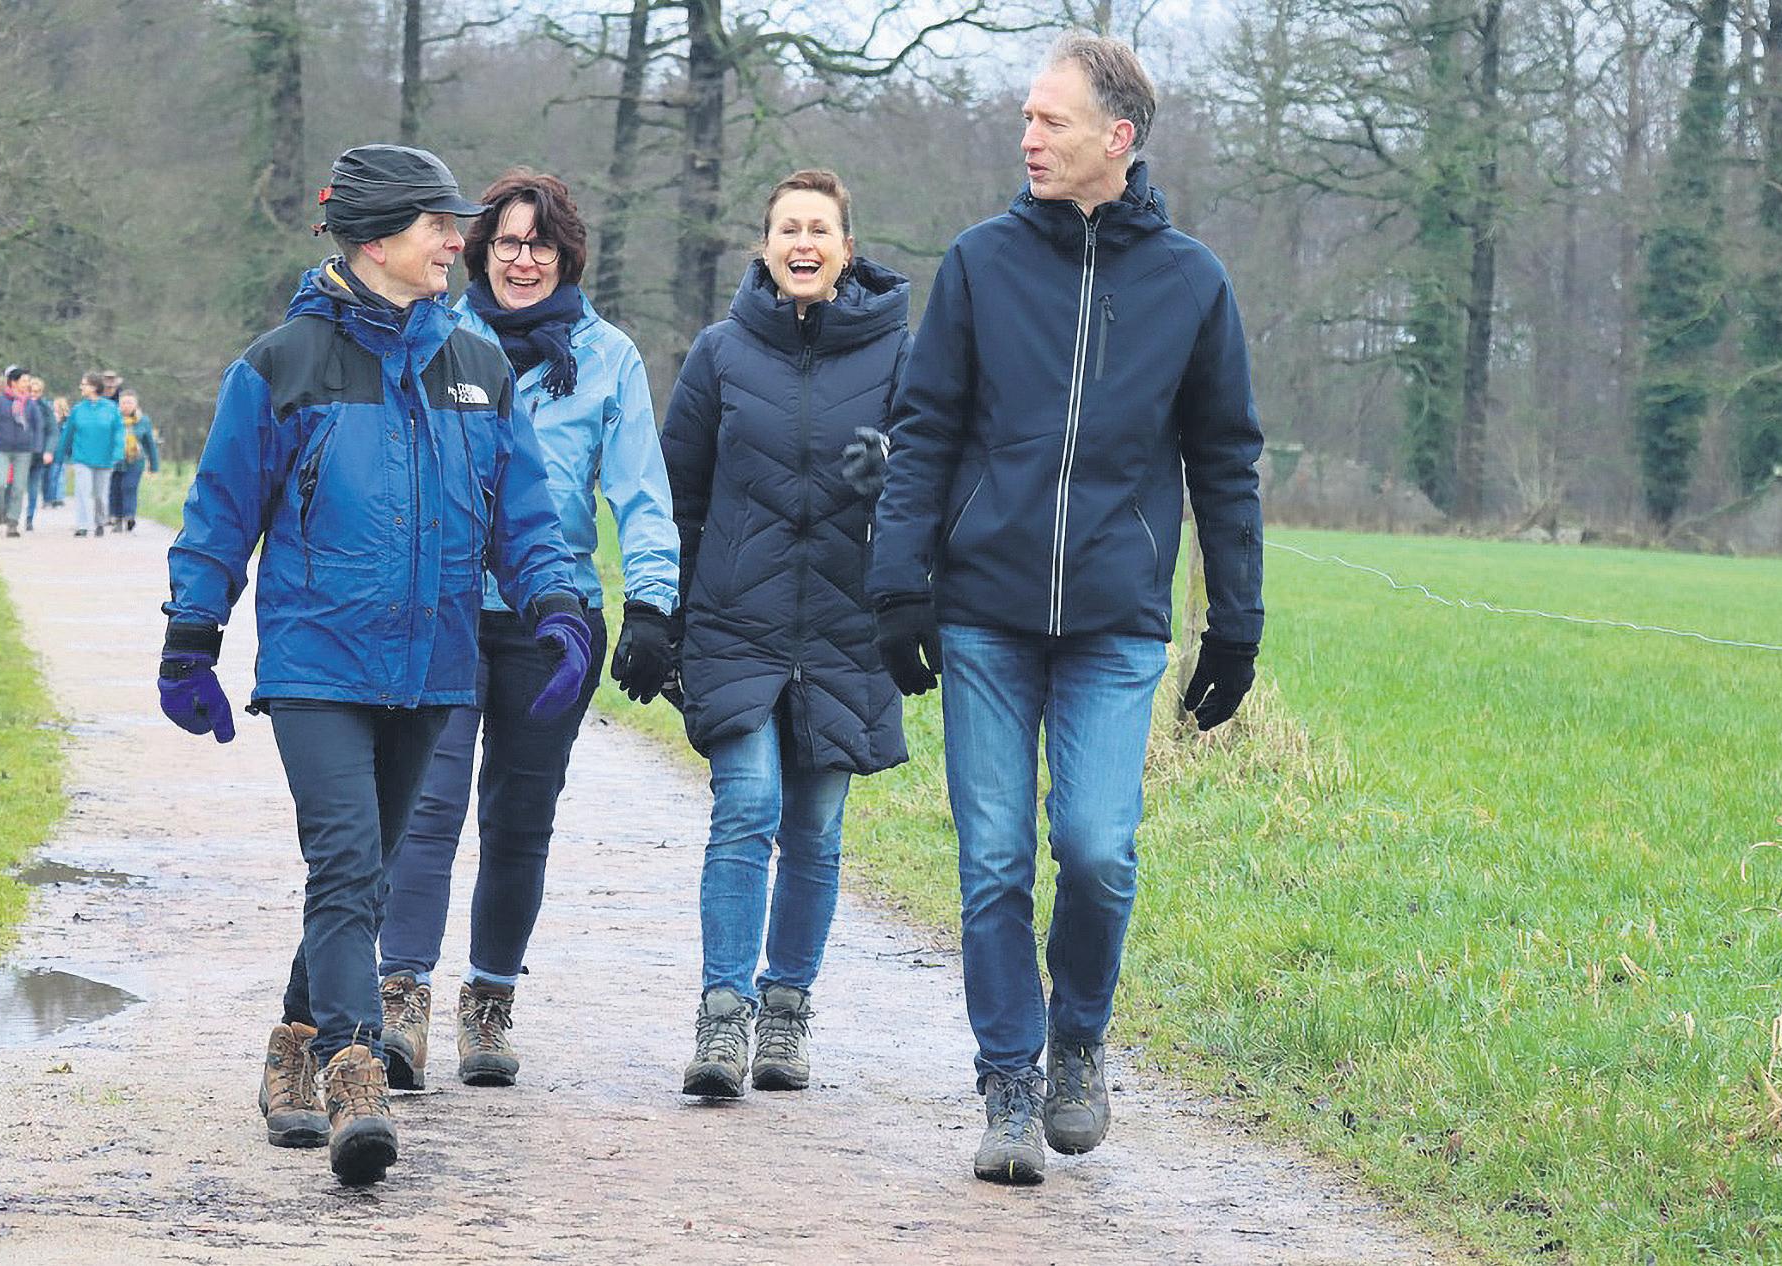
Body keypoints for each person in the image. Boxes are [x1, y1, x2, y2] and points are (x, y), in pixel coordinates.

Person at [868, 34, 1265, 1185]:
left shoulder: (1191, 282)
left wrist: (1234, 623)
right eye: (1027, 119)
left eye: (1050, 121)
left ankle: (1077, 1039)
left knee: (1094, 849)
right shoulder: (980, 264)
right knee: (993, 861)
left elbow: (1224, 460)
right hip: (984, 612)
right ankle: (1008, 1079)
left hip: (1115, 616)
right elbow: (924, 431)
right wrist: (898, 583)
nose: (1028, 138)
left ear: (1117, 138)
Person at [160, 142, 588, 1187]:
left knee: (365, 874)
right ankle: (353, 1075)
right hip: (318, 660)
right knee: (349, 863)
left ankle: (290, 1047)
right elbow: (221, 514)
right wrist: (191, 636)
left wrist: (556, 605)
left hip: (433, 663)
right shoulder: (280, 366)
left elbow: (523, 514)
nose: (455, 242)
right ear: (374, 240)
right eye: (437, 226)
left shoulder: (479, 369)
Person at [375, 168, 679, 1093]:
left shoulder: (608, 357)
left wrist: (653, 604)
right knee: (427, 807)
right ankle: (401, 997)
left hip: (555, 622)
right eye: (506, 242)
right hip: (444, 608)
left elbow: (641, 492)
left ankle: (490, 1001)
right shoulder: (433, 336)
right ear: (479, 251)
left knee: (520, 816)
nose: (522, 260)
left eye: (539, 245)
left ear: (566, 255)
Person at [659, 169, 910, 1098]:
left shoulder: (899, 355)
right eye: (787, 229)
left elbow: (938, 474)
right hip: (735, 620)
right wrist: (661, 617)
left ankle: (786, 1013)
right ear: (764, 248)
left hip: (848, 626)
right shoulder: (719, 353)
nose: (803, 243)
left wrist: (891, 473)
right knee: (748, 805)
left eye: (820, 229)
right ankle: (723, 1016)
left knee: (816, 828)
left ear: (847, 249)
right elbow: (677, 497)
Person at [59, 372, 123, 537]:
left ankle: (100, 522)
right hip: (82, 458)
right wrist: (59, 455)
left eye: (84, 384)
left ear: (94, 387)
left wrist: (117, 452)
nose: (81, 387)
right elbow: (68, 434)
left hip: (105, 458)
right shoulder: (78, 410)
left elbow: (118, 431)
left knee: (100, 496)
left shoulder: (111, 409)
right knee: (82, 491)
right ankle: (82, 525)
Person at [0, 366, 44, 537]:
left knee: (18, 488)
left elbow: (38, 427)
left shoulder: (31, 405)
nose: (27, 384)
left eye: (28, 381)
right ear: (13, 382)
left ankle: (12, 522)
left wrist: (38, 449)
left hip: (23, 451)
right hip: (2, 449)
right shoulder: (0, 402)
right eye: (24, 381)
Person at [109, 390, 161, 532]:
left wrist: (154, 466)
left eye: (129, 402)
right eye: (123, 403)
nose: (126, 406)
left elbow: (150, 444)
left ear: (135, 404)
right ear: (119, 404)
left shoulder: (143, 421)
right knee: (115, 489)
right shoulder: (113, 419)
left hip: (135, 460)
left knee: (129, 487)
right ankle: (116, 518)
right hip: (115, 461)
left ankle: (129, 516)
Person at [22, 376, 58, 532]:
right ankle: (11, 514)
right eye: (31, 391)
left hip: (38, 454)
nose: (33, 394)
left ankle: (29, 517)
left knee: (33, 487)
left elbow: (52, 432)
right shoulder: (19, 405)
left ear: (41, 392)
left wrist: (48, 451)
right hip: (21, 452)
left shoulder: (46, 409)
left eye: (36, 392)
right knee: (15, 486)